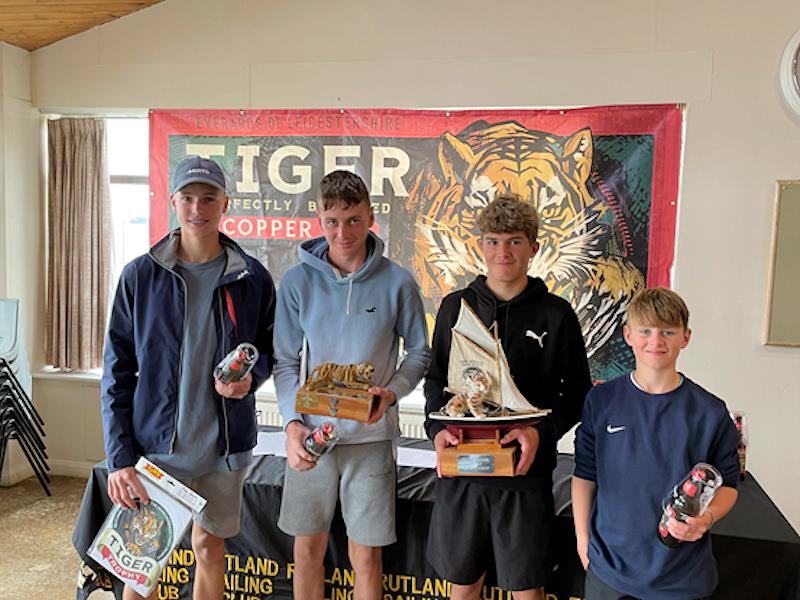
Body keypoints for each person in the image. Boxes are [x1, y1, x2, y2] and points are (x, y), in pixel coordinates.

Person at [101, 156, 275, 600]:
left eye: (209, 198)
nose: (199, 208)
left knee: (210, 548)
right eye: (189, 198)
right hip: (157, 450)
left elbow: (270, 351)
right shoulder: (140, 276)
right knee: (143, 562)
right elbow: (117, 373)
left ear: (225, 204)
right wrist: (120, 457)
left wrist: (250, 380)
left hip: (224, 448)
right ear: (173, 202)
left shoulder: (252, 278)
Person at [424, 193, 592, 600]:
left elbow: (579, 393)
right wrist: (437, 431)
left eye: (515, 241)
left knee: (526, 589)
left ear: (533, 247)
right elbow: (435, 381)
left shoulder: (557, 314)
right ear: (480, 245)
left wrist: (541, 432)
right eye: (494, 240)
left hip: (524, 474)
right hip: (464, 467)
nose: (504, 251)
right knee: (462, 587)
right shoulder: (454, 308)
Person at [274, 170, 430, 600]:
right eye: (333, 221)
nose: (343, 233)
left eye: (354, 220)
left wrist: (392, 391)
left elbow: (419, 352)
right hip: (310, 439)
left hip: (371, 438)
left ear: (371, 217)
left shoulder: (398, 282)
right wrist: (291, 426)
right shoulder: (297, 283)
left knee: (366, 558)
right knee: (307, 550)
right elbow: (286, 363)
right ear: (320, 220)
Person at [572, 288, 740, 600]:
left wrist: (706, 518)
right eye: (646, 331)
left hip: (682, 578)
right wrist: (583, 540)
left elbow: (728, 485)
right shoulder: (602, 401)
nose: (656, 341)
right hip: (609, 571)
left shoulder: (710, 412)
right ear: (628, 335)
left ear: (685, 337)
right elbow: (585, 475)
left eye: (668, 331)